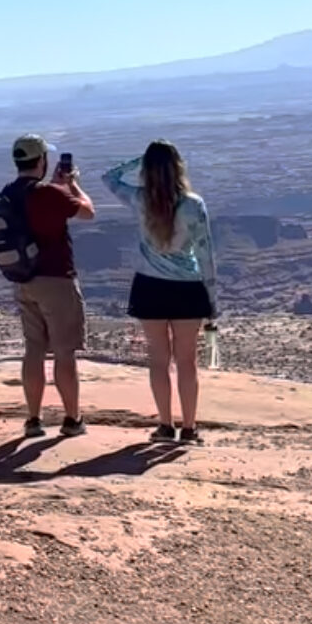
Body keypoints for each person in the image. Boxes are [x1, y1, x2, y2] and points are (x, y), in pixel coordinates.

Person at [103, 142, 218, 445]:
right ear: (179, 167)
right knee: (187, 362)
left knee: (158, 361)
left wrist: (140, 160)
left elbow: (109, 178)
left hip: (150, 287)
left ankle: (165, 425)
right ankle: (189, 428)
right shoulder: (194, 204)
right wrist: (212, 300)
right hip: (187, 289)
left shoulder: (140, 199)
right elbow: (206, 254)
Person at [5, 135, 96, 439]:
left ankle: (33, 419)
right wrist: (70, 185)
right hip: (56, 280)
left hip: (23, 281)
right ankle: (72, 419)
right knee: (63, 351)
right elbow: (87, 212)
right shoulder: (48, 193)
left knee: (33, 349)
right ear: (42, 161)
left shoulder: (9, 193)